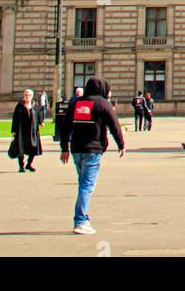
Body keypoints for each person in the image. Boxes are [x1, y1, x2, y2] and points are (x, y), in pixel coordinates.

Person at [58, 77, 126, 235]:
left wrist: (64, 148)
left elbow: (65, 127)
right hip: (93, 149)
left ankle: (84, 217)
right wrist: (121, 144)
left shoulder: (76, 103)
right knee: (86, 185)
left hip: (76, 149)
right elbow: (115, 126)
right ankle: (80, 221)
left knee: (83, 184)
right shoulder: (103, 104)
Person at [11, 89, 42, 172]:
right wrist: (13, 131)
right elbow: (15, 119)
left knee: (33, 148)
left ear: (32, 96)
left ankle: (29, 164)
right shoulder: (20, 106)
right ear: (23, 96)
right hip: (21, 130)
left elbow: (38, 115)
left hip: (33, 130)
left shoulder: (35, 105)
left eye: (29, 95)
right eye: (26, 95)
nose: (27, 96)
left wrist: (40, 122)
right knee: (21, 149)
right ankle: (21, 166)